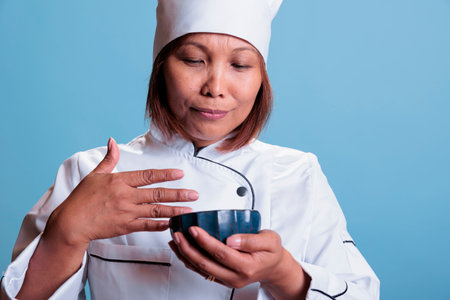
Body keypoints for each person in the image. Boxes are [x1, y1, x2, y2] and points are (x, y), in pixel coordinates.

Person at [1, 0, 380, 299]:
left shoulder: (299, 176)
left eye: (240, 64)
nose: (215, 86)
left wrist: (283, 272)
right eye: (194, 60)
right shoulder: (89, 173)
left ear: (261, 79)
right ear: (162, 66)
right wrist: (65, 234)